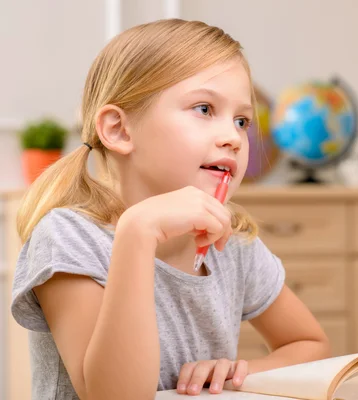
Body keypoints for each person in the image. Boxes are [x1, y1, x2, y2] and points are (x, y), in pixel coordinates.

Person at [11, 18, 331, 400]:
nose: (233, 136)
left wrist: (236, 374)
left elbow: (310, 344)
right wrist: (137, 233)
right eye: (204, 108)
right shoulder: (68, 237)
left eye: (241, 120)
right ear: (118, 130)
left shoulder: (233, 244)